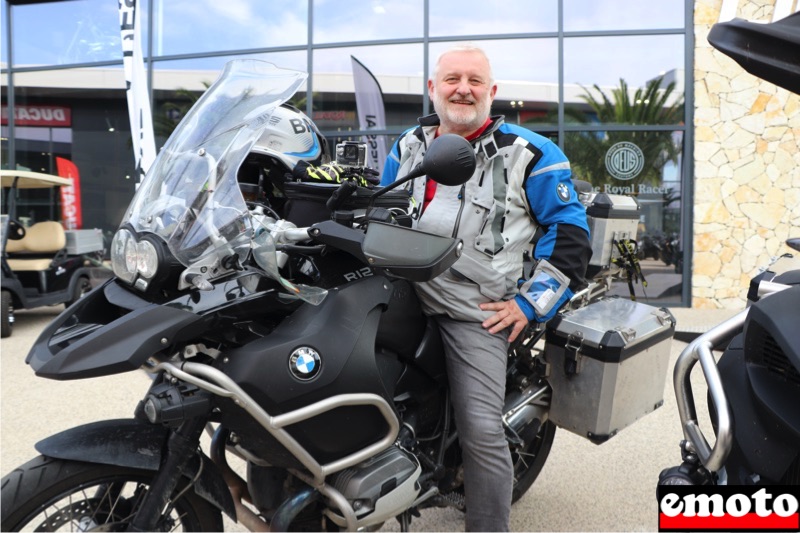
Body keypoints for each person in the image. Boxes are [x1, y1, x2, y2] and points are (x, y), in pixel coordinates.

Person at [381, 45, 592, 531]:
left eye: (475, 81)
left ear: (492, 93)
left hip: (471, 308)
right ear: (433, 89)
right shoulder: (409, 145)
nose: (463, 89)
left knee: (480, 429)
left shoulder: (532, 153)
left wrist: (527, 304)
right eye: (451, 79)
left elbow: (571, 237)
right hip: (401, 293)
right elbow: (383, 212)